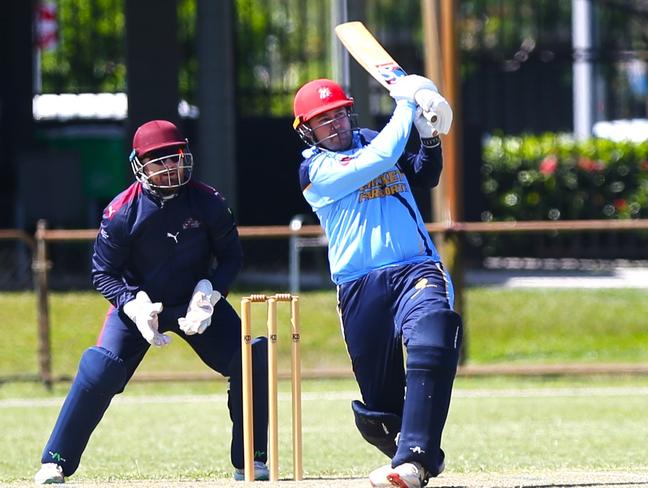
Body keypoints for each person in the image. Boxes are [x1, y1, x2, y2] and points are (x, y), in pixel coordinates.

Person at [34, 120, 270, 484]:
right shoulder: (121, 213)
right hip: (142, 307)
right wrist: (132, 304)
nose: (169, 167)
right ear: (140, 165)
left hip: (195, 301)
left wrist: (210, 291)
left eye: (174, 157)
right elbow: (102, 273)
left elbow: (232, 258)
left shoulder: (209, 202)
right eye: (158, 161)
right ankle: (56, 460)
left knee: (252, 357)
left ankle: (251, 459)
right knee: (101, 368)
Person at [293, 76, 463, 488]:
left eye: (339, 114)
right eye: (322, 120)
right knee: (379, 413)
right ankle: (408, 446)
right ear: (307, 130)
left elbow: (424, 176)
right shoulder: (315, 171)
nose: (334, 125)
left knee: (434, 331)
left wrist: (428, 137)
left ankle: (415, 461)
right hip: (358, 287)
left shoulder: (371, 138)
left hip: (415, 268)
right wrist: (407, 103)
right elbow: (382, 156)